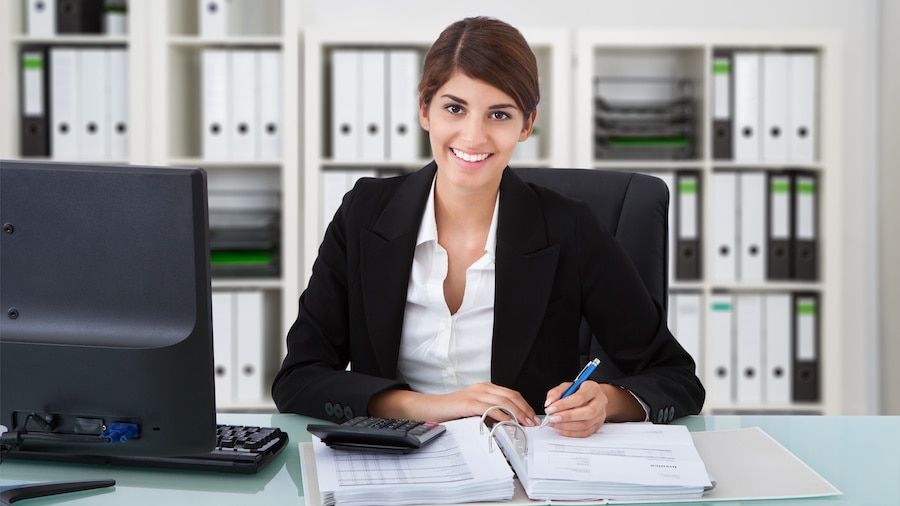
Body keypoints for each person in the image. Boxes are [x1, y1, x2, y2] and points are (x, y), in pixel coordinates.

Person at [272, 16, 704, 437]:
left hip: (521, 470)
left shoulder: (569, 228)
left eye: (499, 115)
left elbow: (676, 377)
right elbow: (299, 378)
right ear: (425, 110)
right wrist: (436, 407)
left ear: (527, 125)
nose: (473, 136)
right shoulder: (364, 213)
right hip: (395, 466)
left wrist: (607, 400)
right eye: (454, 108)